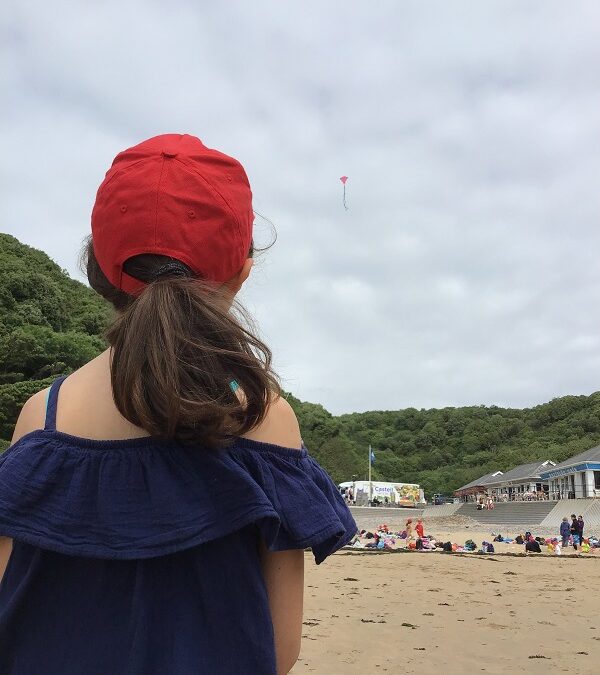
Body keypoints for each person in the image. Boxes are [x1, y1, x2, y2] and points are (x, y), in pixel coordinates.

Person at [0, 134, 357, 675]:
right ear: (241, 271)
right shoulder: (264, 420)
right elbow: (278, 653)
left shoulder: (41, 416)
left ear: (97, 269)